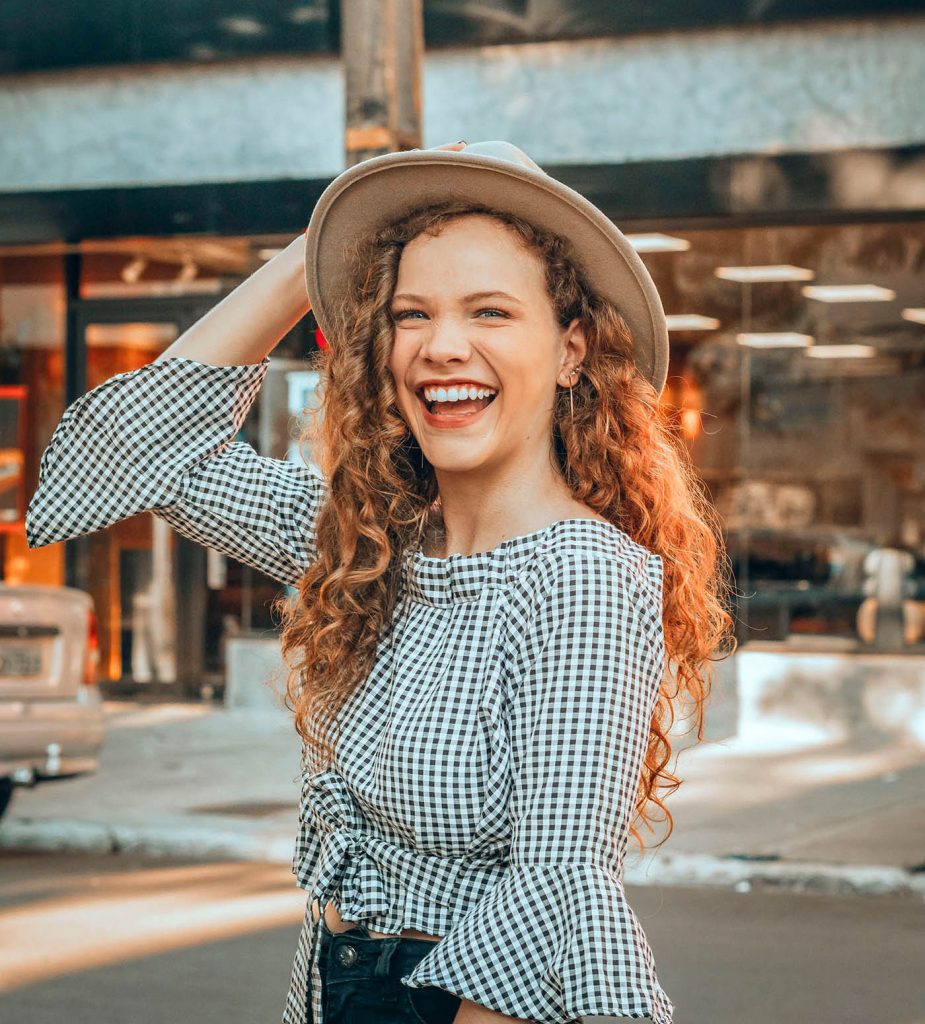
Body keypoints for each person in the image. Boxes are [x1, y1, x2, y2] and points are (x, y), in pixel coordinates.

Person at [26, 140, 735, 1024]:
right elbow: (140, 452)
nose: (442, 347)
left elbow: (554, 889)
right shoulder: (366, 543)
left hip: (458, 1002)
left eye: (489, 313)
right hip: (332, 984)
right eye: (410, 315)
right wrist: (312, 255)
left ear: (570, 351)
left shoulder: (582, 577)